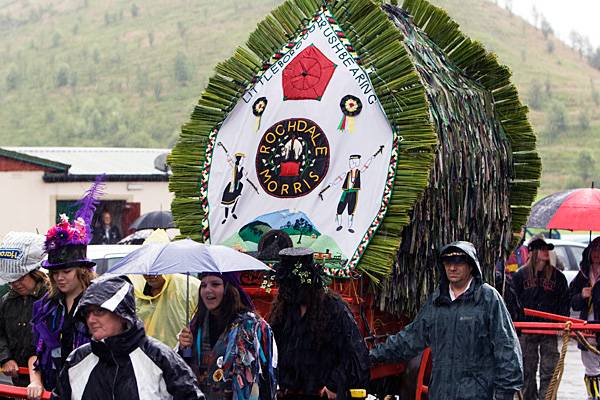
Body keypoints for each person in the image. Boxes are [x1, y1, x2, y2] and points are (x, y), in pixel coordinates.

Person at [370, 241, 523, 400]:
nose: (452, 267)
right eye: (448, 262)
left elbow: (507, 349)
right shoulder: (436, 301)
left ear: (471, 266)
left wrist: (504, 394)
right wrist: (370, 356)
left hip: (477, 395)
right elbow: (409, 339)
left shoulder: (488, 298)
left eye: (459, 262)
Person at [53, 274, 204, 399]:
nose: (91, 320)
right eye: (87, 313)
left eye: (99, 311)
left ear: (121, 314)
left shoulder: (160, 357)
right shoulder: (76, 360)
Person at [28, 178, 104, 400]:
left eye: (66, 271)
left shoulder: (99, 304)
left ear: (82, 270)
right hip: (54, 392)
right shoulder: (45, 307)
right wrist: (35, 379)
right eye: (54, 273)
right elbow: (36, 351)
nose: (59, 278)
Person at [269, 247, 369, 400]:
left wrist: (334, 384)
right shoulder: (282, 312)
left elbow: (354, 355)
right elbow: (274, 352)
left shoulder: (333, 309)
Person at [178, 272, 277, 400]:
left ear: (228, 289)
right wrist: (185, 349)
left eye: (215, 284)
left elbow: (264, 379)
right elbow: (185, 371)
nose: (208, 290)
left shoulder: (252, 327)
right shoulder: (196, 324)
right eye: (203, 285)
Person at [511, 235, 569, 400]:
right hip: (527, 330)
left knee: (549, 369)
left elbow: (564, 301)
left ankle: (547, 398)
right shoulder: (520, 276)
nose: (546, 252)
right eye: (543, 249)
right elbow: (514, 302)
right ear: (534, 252)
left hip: (549, 330)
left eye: (547, 250)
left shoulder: (558, 277)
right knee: (527, 370)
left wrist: (562, 323)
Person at [0, 232, 49, 390]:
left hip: (48, 377)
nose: (16, 284)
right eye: (11, 280)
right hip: (18, 378)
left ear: (35, 273)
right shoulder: (7, 301)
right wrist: (5, 358)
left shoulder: (50, 298)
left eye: (20, 278)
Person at [130, 273, 200, 348]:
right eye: (146, 271)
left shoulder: (188, 286)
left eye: (155, 271)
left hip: (182, 352)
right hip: (148, 354)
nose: (149, 275)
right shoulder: (135, 291)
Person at [569, 237, 600, 398]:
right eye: (594, 249)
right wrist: (582, 295)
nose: (597, 253)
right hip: (587, 328)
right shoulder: (582, 276)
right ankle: (594, 396)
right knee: (591, 369)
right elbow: (572, 301)